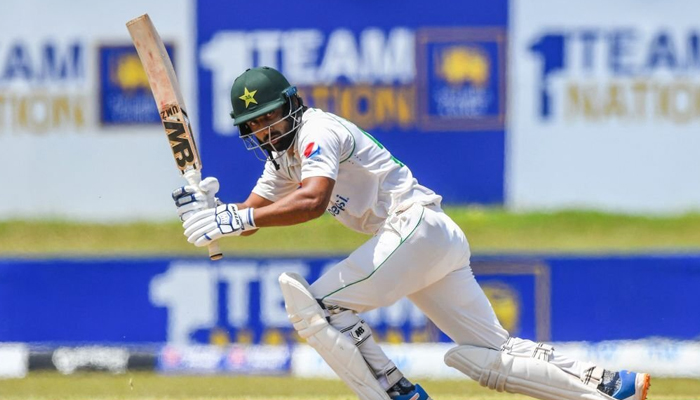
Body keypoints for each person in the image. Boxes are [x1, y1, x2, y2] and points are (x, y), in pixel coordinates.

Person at [172, 66, 651, 400]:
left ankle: (397, 393)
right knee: (491, 355)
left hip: (413, 228)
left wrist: (235, 220)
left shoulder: (318, 131)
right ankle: (610, 385)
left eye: (269, 117)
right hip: (428, 240)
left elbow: (312, 201)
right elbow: (255, 215)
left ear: (292, 105)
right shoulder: (283, 157)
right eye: (253, 126)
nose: (263, 131)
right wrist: (213, 211)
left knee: (314, 308)